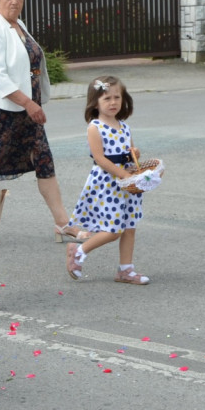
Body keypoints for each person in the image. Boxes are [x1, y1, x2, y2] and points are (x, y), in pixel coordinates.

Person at [0, 0, 89, 244]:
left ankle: (63, 224)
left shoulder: (19, 25)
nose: (14, 2)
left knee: (44, 162)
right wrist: (27, 103)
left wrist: (34, 102)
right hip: (1, 113)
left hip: (29, 112)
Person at [66, 76, 150, 284]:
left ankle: (126, 270)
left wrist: (134, 155)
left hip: (127, 184)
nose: (113, 103)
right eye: (107, 98)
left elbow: (128, 153)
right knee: (113, 230)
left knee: (130, 227)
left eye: (117, 97)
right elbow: (100, 158)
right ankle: (79, 251)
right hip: (108, 184)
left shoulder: (124, 127)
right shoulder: (95, 127)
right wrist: (123, 175)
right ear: (95, 102)